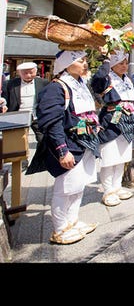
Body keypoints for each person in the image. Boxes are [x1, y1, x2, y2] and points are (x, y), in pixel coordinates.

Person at [25, 50, 100, 245]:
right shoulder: (56, 87)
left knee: (78, 185)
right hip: (69, 143)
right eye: (79, 61)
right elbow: (52, 122)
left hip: (84, 142)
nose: (85, 64)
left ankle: (72, 221)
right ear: (67, 63)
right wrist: (62, 150)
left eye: (85, 61)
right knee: (64, 189)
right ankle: (59, 228)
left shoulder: (80, 84)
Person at [90, 50, 134, 206]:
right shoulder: (106, 78)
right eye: (120, 63)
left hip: (128, 120)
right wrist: (105, 61)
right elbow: (96, 81)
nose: (124, 66)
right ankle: (108, 190)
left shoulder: (128, 79)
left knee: (122, 158)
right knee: (110, 158)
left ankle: (117, 187)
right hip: (112, 120)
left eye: (125, 63)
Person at [1, 61, 50, 144]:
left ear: (36, 72)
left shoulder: (43, 83)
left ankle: (39, 156)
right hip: (18, 116)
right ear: (19, 73)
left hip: (36, 116)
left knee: (43, 139)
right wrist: (3, 103)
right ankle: (22, 157)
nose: (28, 75)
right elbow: (5, 98)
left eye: (31, 73)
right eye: (25, 73)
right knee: (18, 142)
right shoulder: (10, 84)